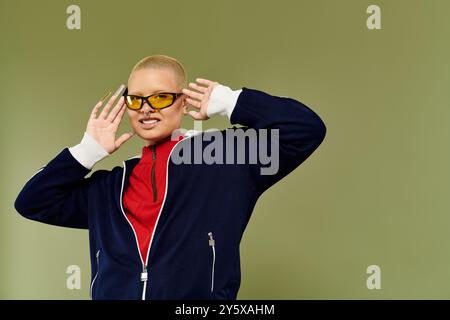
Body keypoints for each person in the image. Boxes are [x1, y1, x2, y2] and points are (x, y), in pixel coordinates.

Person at [14, 54, 327, 300]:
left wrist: (231, 102)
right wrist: (86, 151)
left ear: (183, 100)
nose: (146, 109)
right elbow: (32, 202)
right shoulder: (109, 188)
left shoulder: (224, 157)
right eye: (136, 99)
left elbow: (305, 130)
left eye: (160, 97)